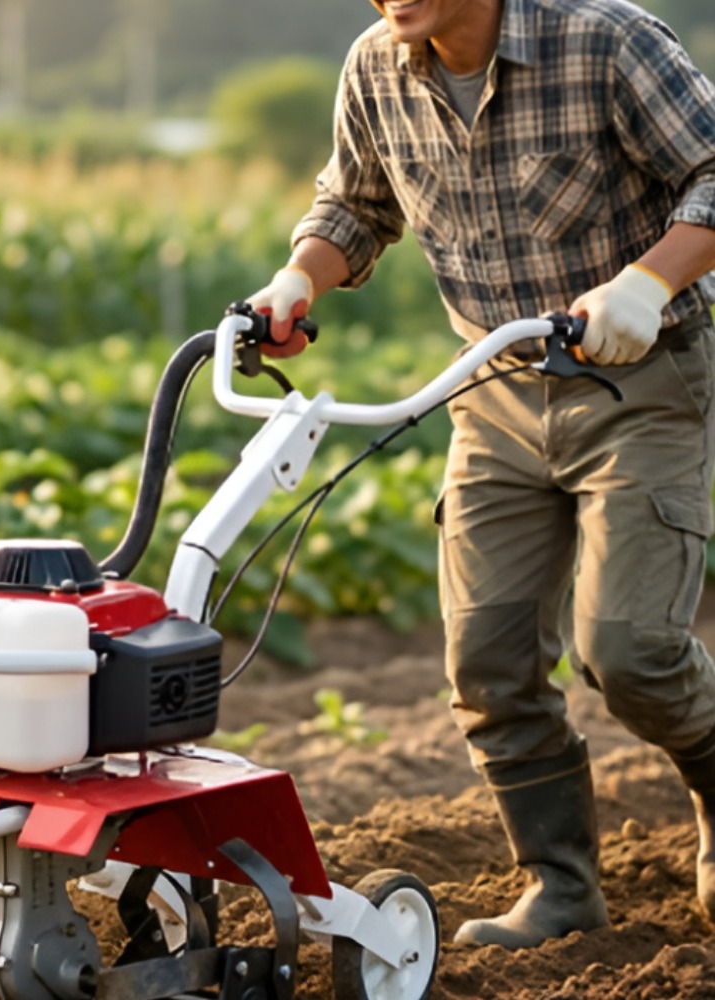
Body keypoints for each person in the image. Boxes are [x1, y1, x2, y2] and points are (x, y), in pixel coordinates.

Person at [248, 0, 715, 951]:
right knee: (489, 664)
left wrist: (648, 282)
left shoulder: (606, 40)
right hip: (493, 390)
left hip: (641, 382)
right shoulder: (376, 67)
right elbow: (354, 205)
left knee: (628, 649)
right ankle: (561, 888)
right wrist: (298, 278)